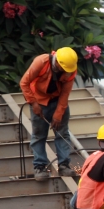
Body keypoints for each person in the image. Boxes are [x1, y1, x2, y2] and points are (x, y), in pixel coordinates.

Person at [20, 47, 79, 181]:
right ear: (57, 62)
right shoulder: (41, 62)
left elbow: (65, 94)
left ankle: (64, 165)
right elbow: (24, 83)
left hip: (58, 101)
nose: (65, 72)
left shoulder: (70, 69)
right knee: (39, 135)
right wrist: (33, 103)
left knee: (62, 133)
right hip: (39, 101)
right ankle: (40, 167)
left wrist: (58, 113)